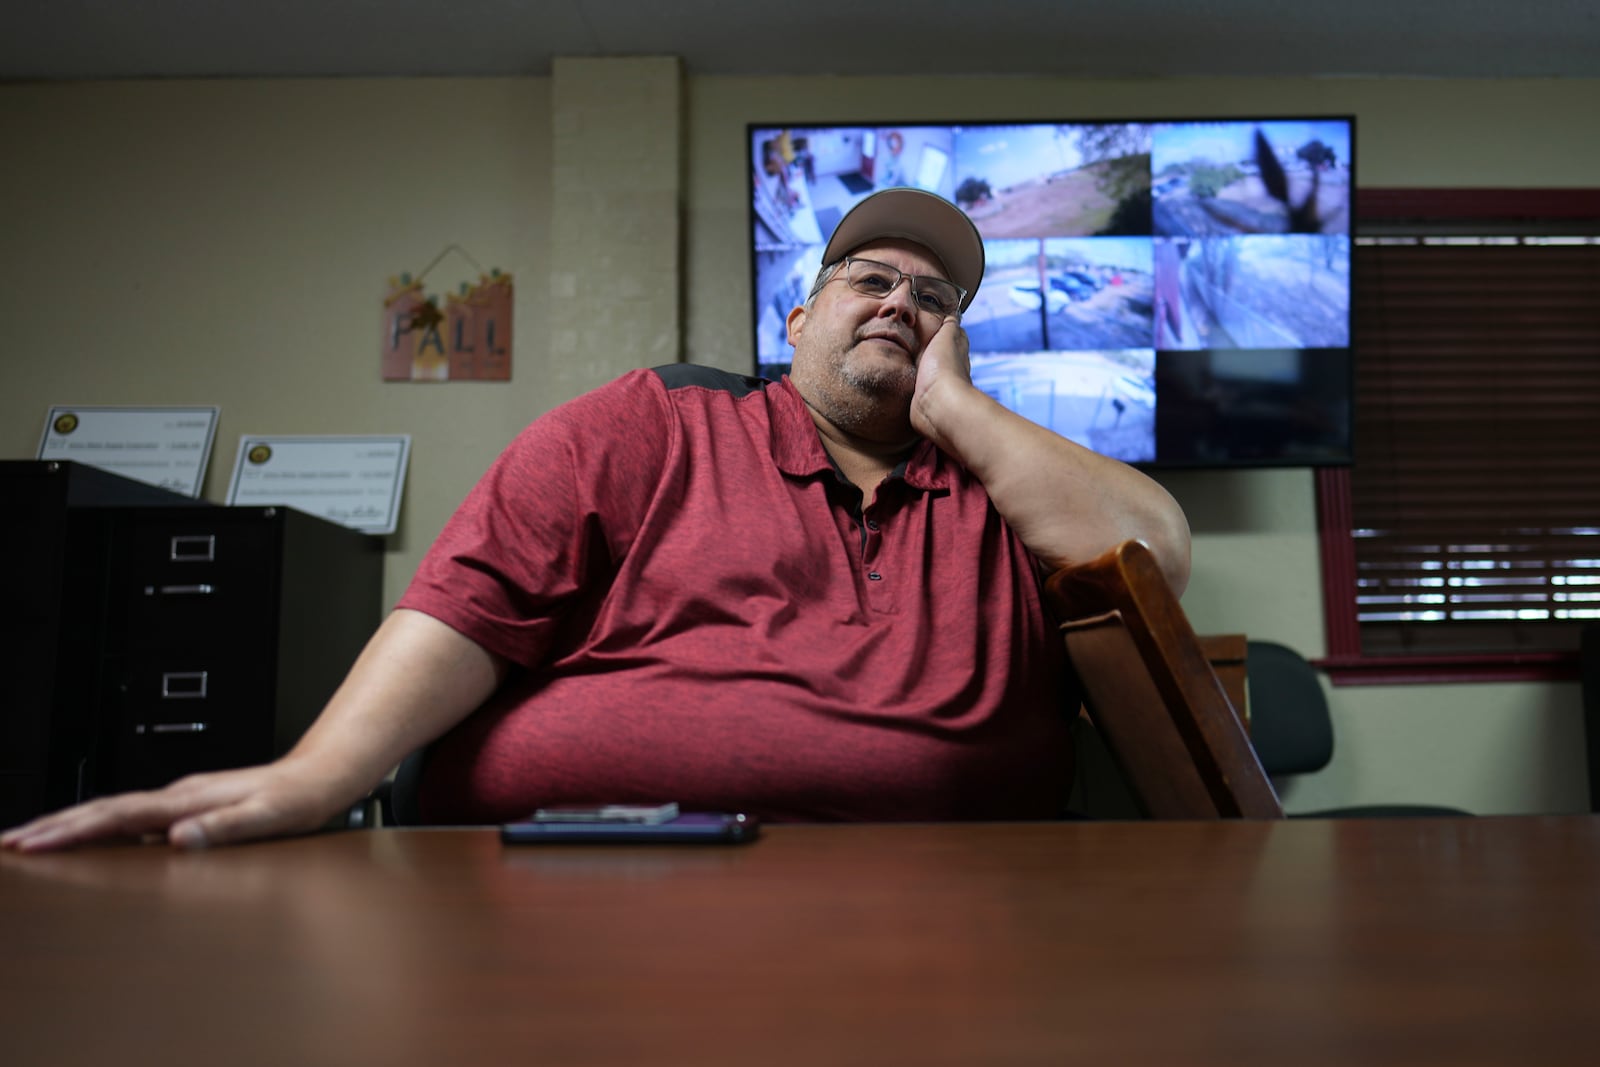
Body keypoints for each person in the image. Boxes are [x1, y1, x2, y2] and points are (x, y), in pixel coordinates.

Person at [2, 189, 1189, 852]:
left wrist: (956, 406)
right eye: (867, 281)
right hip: (573, 878)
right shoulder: (652, 420)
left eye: (933, 300)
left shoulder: (1003, 482)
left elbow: (1155, 552)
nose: (899, 302)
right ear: (796, 314)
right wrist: (316, 778)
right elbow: (464, 605)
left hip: (940, 916)